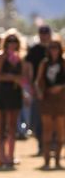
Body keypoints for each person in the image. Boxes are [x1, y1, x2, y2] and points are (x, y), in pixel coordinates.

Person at [0, 30, 25, 169]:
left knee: (13, 126)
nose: (12, 44)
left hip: (16, 93)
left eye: (14, 41)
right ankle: (1, 156)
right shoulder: (1, 56)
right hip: (4, 93)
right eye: (9, 41)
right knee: (2, 126)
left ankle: (10, 156)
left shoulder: (20, 57)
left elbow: (23, 76)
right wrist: (12, 78)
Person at [35, 38, 65, 169]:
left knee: (60, 131)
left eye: (56, 47)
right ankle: (46, 161)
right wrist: (41, 92)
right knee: (47, 130)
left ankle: (58, 161)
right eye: (51, 47)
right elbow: (38, 81)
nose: (54, 50)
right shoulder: (44, 64)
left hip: (61, 100)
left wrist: (61, 88)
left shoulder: (64, 63)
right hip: (47, 99)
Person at [24, 24, 52, 155]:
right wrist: (31, 87)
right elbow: (29, 70)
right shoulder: (34, 50)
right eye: (42, 33)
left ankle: (52, 145)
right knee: (37, 119)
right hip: (37, 88)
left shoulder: (55, 48)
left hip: (53, 90)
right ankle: (41, 145)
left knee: (54, 118)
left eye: (46, 33)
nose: (44, 36)